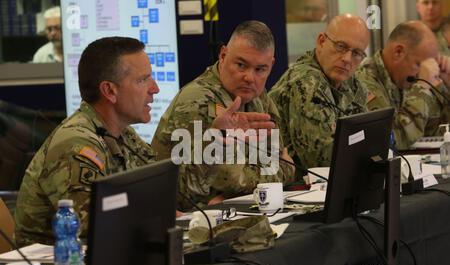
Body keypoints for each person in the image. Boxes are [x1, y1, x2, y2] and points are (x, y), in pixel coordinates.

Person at [15, 36, 275, 247]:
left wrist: (215, 139)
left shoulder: (122, 134)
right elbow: (91, 227)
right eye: (142, 80)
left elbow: (172, 194)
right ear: (109, 91)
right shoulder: (75, 144)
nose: (155, 89)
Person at [152, 21, 295, 210]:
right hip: (187, 217)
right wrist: (277, 174)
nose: (249, 77)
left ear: (271, 65)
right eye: (241, 65)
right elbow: (229, 179)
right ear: (223, 55)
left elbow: (280, 164)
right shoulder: (198, 100)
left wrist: (280, 171)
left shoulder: (258, 95)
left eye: (260, 69)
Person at [269, 14, 369, 175]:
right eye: (341, 46)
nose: (347, 59)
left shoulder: (352, 82)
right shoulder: (306, 81)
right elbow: (322, 159)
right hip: (290, 186)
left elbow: (371, 137)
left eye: (357, 53)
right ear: (321, 41)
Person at [356, 21, 450, 150]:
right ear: (398, 52)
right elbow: (392, 140)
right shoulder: (364, 81)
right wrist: (422, 87)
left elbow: (439, 131)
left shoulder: (408, 78)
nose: (422, 73)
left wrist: (448, 85)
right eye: (419, 64)